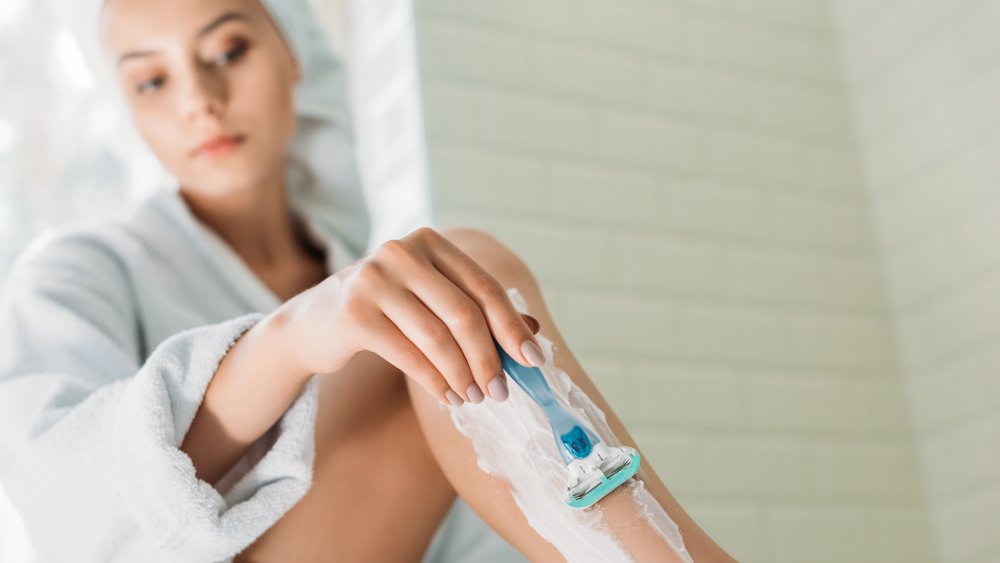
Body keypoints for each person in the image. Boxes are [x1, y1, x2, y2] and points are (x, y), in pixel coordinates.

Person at [0, 0, 737, 561]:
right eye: (152, 80)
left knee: (442, 292)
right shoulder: (79, 272)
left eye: (229, 48)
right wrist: (290, 340)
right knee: (436, 295)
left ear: (293, 55)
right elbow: (61, 506)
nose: (199, 98)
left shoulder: (353, 267)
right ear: (127, 107)